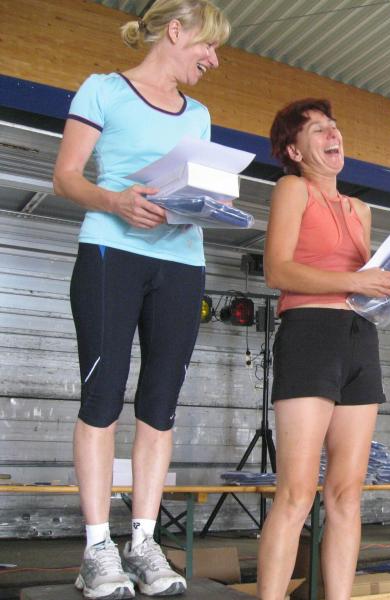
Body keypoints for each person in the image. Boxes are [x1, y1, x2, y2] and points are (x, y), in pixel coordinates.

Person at [52, 1, 229, 597]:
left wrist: (211, 205)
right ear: (175, 31)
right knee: (102, 396)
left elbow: (197, 188)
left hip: (182, 263)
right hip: (111, 252)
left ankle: (145, 542)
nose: (214, 59)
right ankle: (97, 548)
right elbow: (66, 176)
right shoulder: (104, 90)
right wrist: (116, 201)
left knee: (161, 403)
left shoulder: (198, 115)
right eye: (208, 45)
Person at [257, 98, 390, 600]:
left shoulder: (361, 209)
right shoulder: (293, 189)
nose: (333, 134)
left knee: (347, 494)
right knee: (295, 493)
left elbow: (365, 291)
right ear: (294, 151)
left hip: (360, 338)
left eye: (334, 126)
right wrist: (358, 280)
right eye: (318, 129)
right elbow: (277, 271)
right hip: (309, 334)